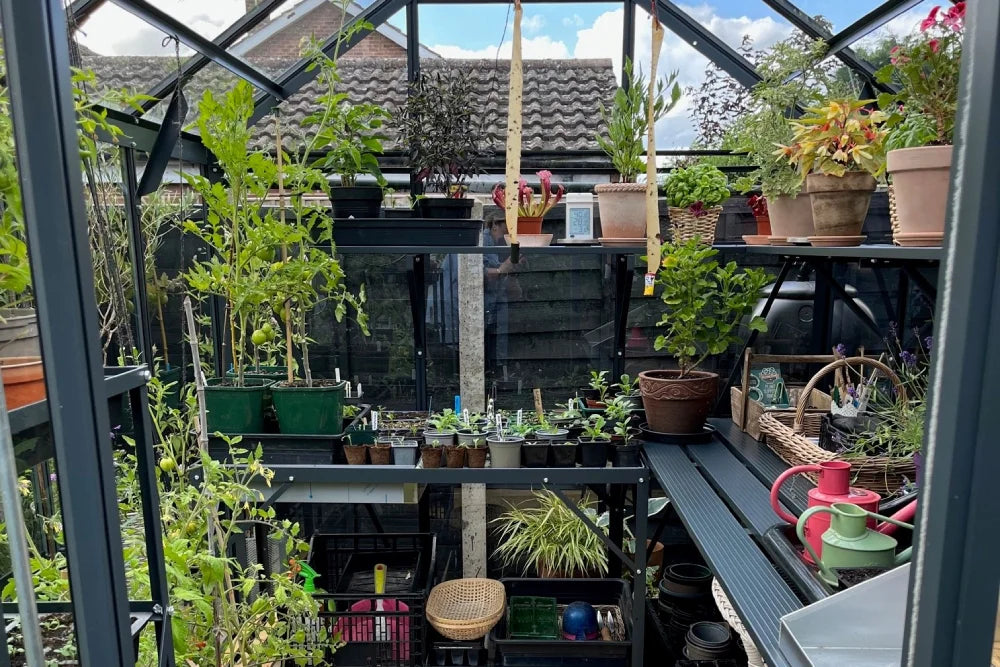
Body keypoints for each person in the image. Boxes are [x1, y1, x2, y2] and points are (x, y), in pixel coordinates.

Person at [483, 213, 522, 381]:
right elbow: (480, 274)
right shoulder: (484, 241)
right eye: (507, 226)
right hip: (483, 306)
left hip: (495, 306)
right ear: (495, 225)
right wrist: (502, 269)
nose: (509, 230)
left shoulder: (497, 243)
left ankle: (497, 375)